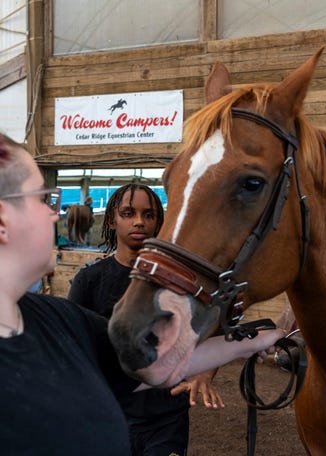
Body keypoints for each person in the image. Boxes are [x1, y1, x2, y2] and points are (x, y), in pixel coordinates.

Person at [0, 132, 285, 455]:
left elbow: (151, 363)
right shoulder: (79, 292)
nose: (55, 213)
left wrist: (254, 342)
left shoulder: (57, 320)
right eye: (43, 199)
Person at [68, 183, 223, 456]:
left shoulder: (180, 282)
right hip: (109, 415)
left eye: (149, 215)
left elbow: (212, 324)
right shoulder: (89, 280)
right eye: (128, 213)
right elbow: (70, 345)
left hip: (167, 418)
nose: (139, 221)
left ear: (158, 223)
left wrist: (204, 373)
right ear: (112, 221)